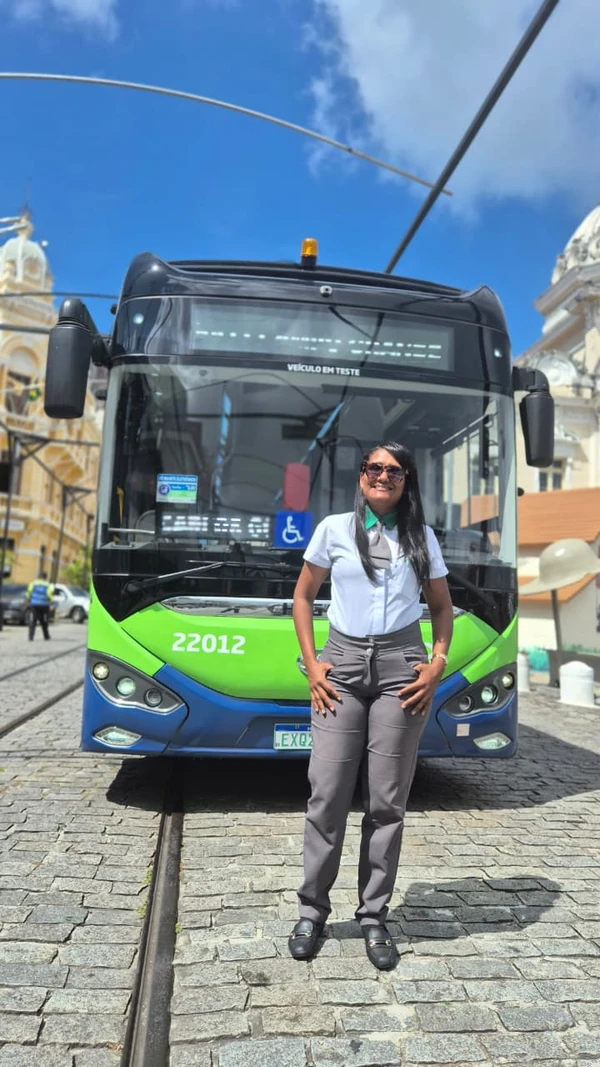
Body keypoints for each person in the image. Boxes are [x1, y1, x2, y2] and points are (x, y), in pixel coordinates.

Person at [289, 442, 453, 970]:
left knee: (386, 802)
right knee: (328, 794)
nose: (383, 476)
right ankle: (312, 910)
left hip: (401, 666)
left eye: (395, 471)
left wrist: (437, 663)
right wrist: (313, 665)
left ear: (407, 481)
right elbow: (302, 595)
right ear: (361, 477)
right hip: (341, 662)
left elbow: (442, 606)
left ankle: (374, 916)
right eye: (375, 468)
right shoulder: (333, 529)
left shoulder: (422, 537)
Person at [26, 571, 54, 641]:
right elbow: (49, 595)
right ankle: (46, 636)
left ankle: (31, 637)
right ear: (45, 577)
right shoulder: (48, 585)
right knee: (44, 621)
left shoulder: (33, 583)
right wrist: (51, 603)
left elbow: (29, 592)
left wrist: (28, 600)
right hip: (44, 605)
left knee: (33, 620)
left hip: (34, 604)